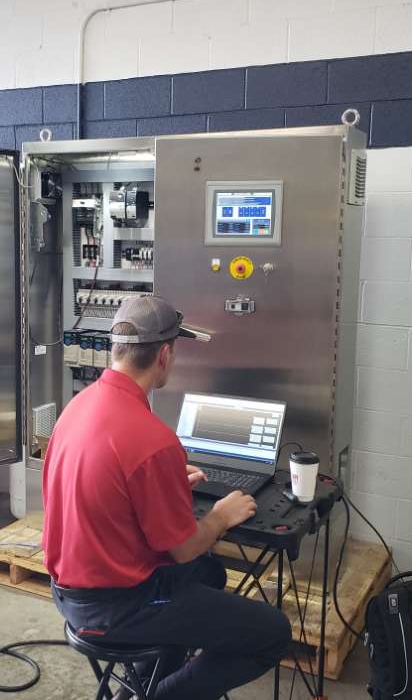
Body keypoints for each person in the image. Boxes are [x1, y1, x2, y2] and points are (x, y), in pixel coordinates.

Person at [42, 294, 292, 700]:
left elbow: (105, 487)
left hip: (69, 591)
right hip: (117, 607)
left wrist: (164, 484)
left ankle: (141, 685)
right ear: (163, 355)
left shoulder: (78, 407)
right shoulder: (153, 440)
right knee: (273, 632)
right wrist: (221, 515)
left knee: (210, 575)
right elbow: (183, 549)